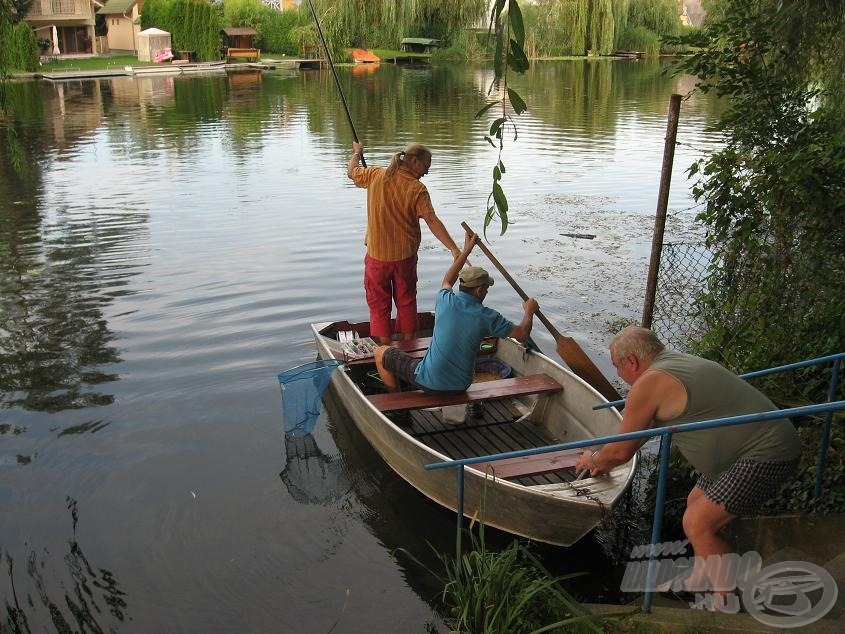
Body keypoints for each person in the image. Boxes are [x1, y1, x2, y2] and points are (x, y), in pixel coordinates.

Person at [575, 326, 800, 599]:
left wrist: (594, 458)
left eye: (617, 367)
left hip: (764, 453)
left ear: (631, 361)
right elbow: (638, 437)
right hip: (743, 449)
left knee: (698, 523)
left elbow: (621, 451)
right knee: (695, 500)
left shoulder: (649, 383)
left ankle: (724, 602)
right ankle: (698, 580)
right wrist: (608, 457)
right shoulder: (678, 363)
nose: (619, 375)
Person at [374, 230, 539, 393]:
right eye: (487, 288)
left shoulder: (444, 299)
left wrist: (466, 251)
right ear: (479, 290)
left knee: (380, 352)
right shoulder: (488, 316)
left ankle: (397, 400)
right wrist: (529, 311)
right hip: (460, 385)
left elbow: (447, 279)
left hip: (429, 381)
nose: (487, 292)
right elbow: (523, 333)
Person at [348, 141, 461, 345]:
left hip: (377, 258)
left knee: (379, 305)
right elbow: (432, 220)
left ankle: (385, 351)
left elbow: (351, 172)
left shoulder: (375, 175)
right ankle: (409, 347)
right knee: (407, 302)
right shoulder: (416, 189)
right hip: (404, 258)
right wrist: (453, 248)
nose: (427, 172)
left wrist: (357, 153)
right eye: (426, 166)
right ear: (414, 161)